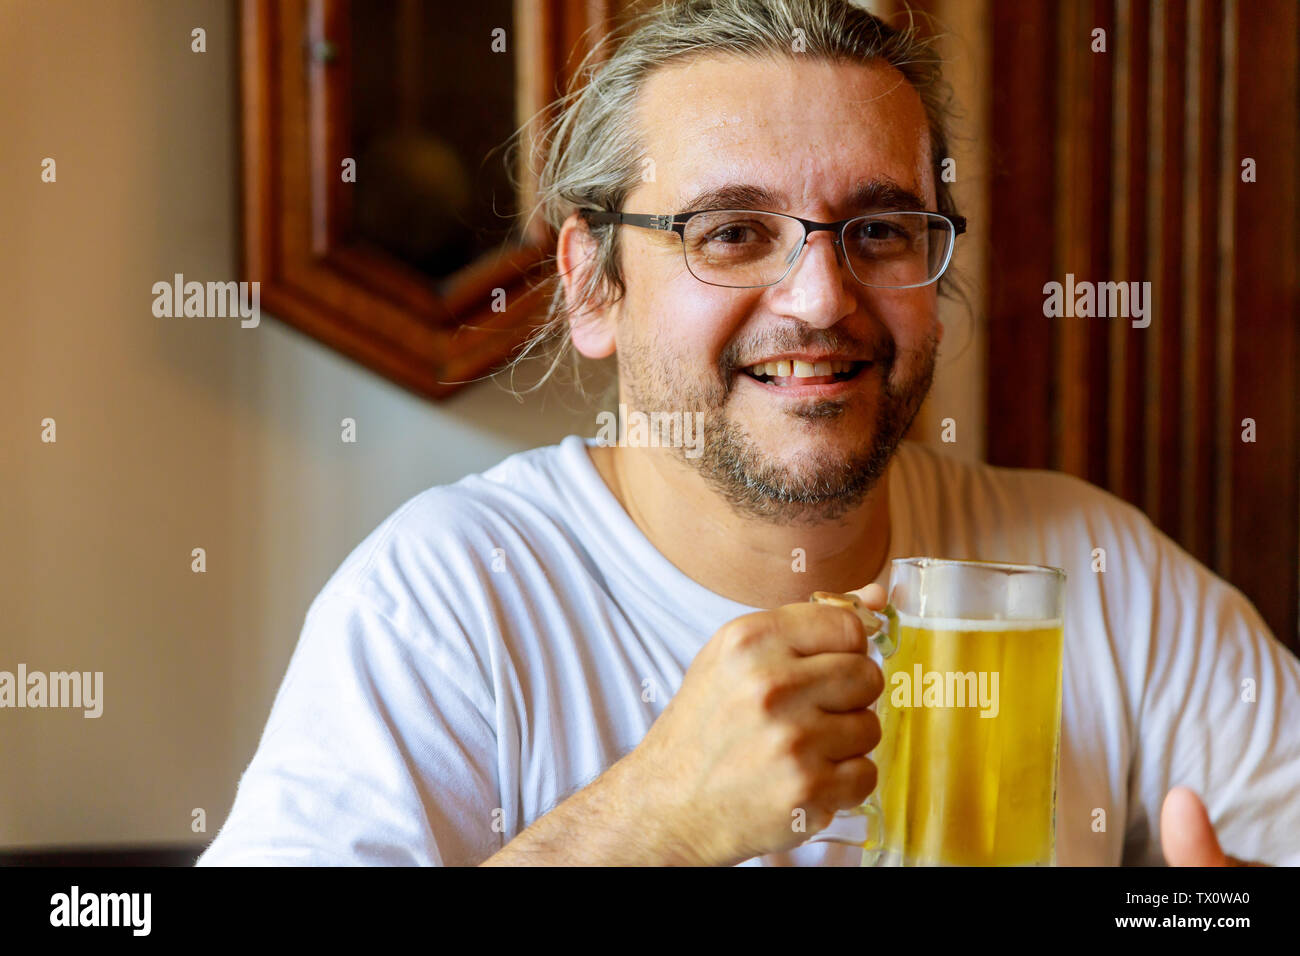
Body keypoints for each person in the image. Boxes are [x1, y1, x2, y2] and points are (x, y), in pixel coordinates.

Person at [198, 0, 1300, 867]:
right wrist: (650, 823)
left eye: (877, 229)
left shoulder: (1092, 564)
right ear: (592, 285)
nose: (820, 299)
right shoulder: (445, 599)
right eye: (730, 232)